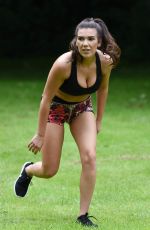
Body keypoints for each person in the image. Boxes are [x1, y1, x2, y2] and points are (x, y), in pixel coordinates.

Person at [14, 17, 121, 227]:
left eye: (91, 39)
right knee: (49, 169)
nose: (85, 43)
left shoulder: (105, 62)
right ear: (76, 40)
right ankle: (28, 170)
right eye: (81, 38)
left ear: (99, 42)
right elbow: (45, 98)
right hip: (56, 109)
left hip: (82, 108)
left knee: (90, 157)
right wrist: (40, 134)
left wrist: (98, 119)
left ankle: (83, 215)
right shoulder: (63, 64)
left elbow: (104, 89)